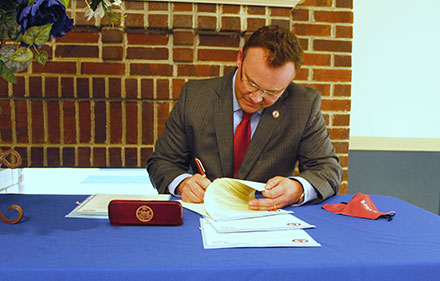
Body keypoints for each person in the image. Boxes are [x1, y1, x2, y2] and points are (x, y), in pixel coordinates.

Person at [146, 25, 342, 210]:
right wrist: (183, 183)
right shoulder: (196, 97)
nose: (256, 98)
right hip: (203, 215)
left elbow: (327, 169)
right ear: (240, 58)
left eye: (272, 92)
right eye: (251, 84)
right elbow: (162, 162)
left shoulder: (303, 104)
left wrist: (298, 189)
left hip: (266, 217)